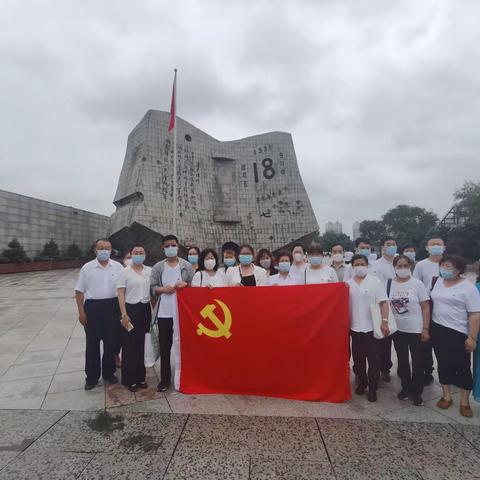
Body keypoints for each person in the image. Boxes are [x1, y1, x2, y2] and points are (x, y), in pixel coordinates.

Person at [430, 255, 480, 417]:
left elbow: (474, 314)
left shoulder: (468, 287)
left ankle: (464, 402)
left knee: (462, 366)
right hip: (438, 329)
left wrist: (472, 337)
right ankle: (446, 395)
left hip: (458, 332)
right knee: (443, 363)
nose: (444, 268)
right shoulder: (437, 281)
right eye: (443, 265)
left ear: (459, 270)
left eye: (449, 266)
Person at [74, 238, 124, 390]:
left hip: (112, 307)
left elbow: (123, 290)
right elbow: (79, 291)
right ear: (95, 250)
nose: (104, 251)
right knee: (92, 344)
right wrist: (81, 312)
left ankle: (109, 374)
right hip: (93, 308)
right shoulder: (87, 268)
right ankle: (92, 377)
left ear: (111, 250)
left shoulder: (118, 267)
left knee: (111, 344)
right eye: (101, 248)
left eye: (107, 248)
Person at [150, 234, 195, 392]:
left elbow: (194, 286)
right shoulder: (158, 267)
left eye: (173, 245)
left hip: (182, 313)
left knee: (185, 346)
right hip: (164, 312)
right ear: (163, 248)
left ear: (178, 246)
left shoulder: (186, 266)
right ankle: (165, 379)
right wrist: (163, 289)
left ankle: (187, 375)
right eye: (167, 246)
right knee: (165, 346)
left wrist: (186, 284)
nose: (170, 248)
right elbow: (152, 287)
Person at [346, 254, 390, 402]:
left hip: (372, 327)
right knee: (358, 360)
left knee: (373, 360)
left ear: (367, 265)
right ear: (352, 267)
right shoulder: (348, 284)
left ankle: (372, 387)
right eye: (356, 264)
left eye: (362, 264)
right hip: (355, 328)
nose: (359, 267)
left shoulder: (375, 282)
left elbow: (384, 302)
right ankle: (362, 382)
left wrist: (384, 321)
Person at [388, 255, 430, 406]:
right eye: (399, 266)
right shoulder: (389, 284)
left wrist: (425, 328)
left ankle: (417, 391)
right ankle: (405, 387)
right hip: (398, 330)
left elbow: (425, 307)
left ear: (410, 266)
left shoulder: (417, 284)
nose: (402, 268)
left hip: (416, 329)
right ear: (394, 267)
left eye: (405, 265)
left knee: (418, 362)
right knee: (403, 360)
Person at [117, 244, 152, 392]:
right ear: (131, 254)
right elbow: (121, 294)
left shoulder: (149, 271)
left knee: (141, 344)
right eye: (136, 252)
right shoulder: (124, 272)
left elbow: (153, 293)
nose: (138, 254)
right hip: (130, 310)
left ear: (145, 254)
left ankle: (141, 377)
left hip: (144, 309)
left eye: (141, 252)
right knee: (129, 345)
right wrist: (124, 314)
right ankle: (129, 379)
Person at [413, 237, 446, 386]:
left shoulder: (449, 263)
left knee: (443, 344)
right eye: (433, 245)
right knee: (425, 342)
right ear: (427, 247)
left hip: (445, 306)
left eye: (439, 244)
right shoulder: (421, 265)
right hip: (426, 305)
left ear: (444, 247)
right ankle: (427, 370)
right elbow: (415, 285)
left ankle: (448, 373)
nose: (436, 247)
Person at [371, 237, 398, 382]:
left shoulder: (401, 262)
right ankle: (384, 368)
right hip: (383, 305)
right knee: (384, 342)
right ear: (383, 247)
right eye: (388, 244)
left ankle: (402, 368)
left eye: (394, 244)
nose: (391, 246)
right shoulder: (375, 265)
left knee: (400, 342)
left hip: (400, 306)